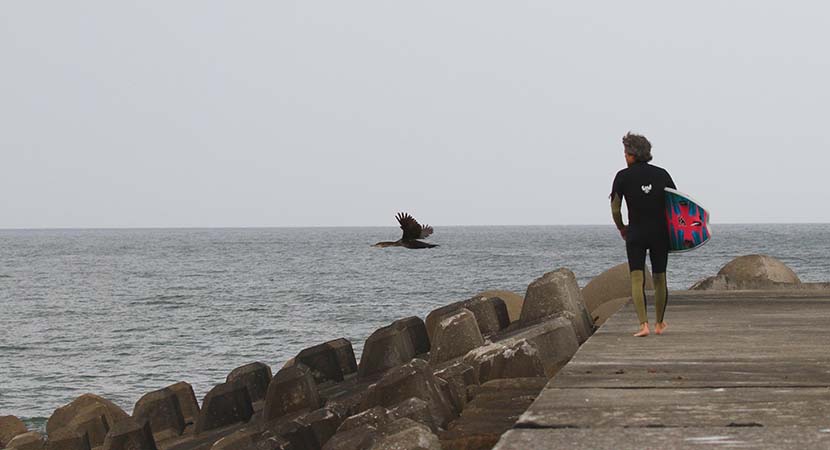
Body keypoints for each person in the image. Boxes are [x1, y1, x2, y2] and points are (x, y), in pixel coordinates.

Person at [610, 132, 676, 337]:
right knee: (659, 278)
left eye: (625, 152)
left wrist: (622, 227)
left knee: (637, 278)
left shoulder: (622, 176)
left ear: (632, 154)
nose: (624, 156)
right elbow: (676, 204)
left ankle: (643, 325)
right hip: (660, 233)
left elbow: (615, 208)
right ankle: (659, 324)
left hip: (636, 233)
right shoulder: (662, 174)